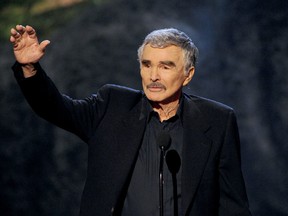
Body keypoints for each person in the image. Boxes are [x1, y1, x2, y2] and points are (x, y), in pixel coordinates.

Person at [10, 25, 252, 216]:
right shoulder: (112, 106)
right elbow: (56, 109)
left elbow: (233, 206)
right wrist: (30, 67)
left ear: (188, 74)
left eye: (165, 67)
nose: (153, 76)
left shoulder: (217, 120)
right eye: (147, 65)